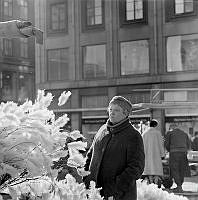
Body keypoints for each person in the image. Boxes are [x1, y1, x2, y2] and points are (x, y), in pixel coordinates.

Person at [83, 96, 145, 200]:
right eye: (110, 109)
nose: (112, 112)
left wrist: (114, 189)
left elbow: (136, 168)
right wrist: (86, 178)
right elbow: (90, 155)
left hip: (119, 195)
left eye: (116, 110)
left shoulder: (133, 135)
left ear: (125, 113)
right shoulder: (102, 130)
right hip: (94, 192)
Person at [165, 124, 191, 193]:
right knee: (181, 169)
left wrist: (169, 150)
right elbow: (188, 145)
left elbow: (166, 144)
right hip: (183, 153)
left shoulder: (170, 133)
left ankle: (179, 186)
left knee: (174, 169)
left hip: (174, 153)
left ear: (171, 128)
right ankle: (180, 185)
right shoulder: (184, 133)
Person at [142, 119, 165, 188]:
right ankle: (155, 184)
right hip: (156, 155)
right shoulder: (158, 133)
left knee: (149, 170)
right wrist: (162, 154)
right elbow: (161, 145)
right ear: (155, 125)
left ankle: (151, 184)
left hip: (147, 155)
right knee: (156, 170)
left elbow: (141, 145)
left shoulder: (144, 133)